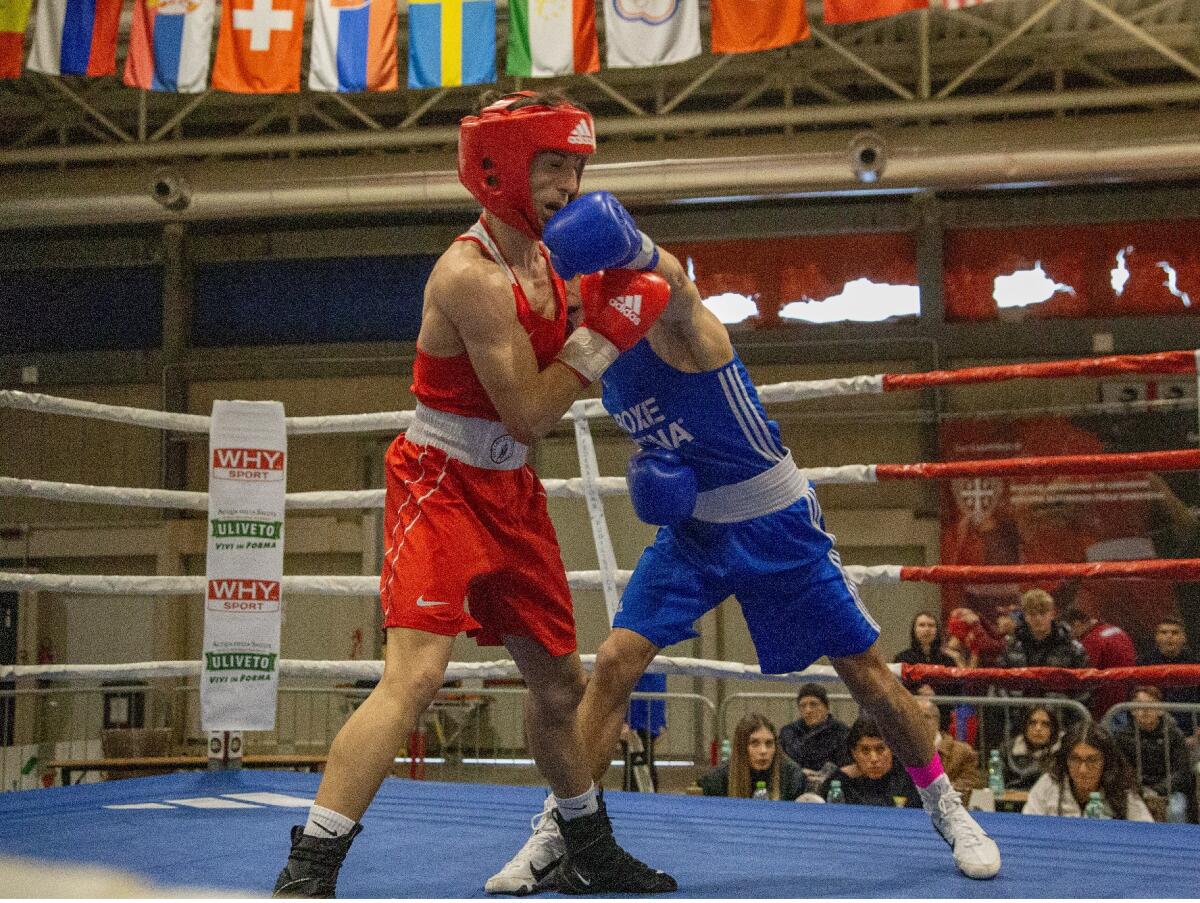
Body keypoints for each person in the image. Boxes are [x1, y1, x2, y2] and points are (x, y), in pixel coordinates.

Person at [488, 185, 1001, 890]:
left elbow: (676, 287)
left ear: (599, 280)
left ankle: (946, 805)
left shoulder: (676, 328)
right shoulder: (597, 359)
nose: (561, 307)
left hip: (773, 521)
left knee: (867, 676)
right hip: (693, 532)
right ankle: (564, 825)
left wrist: (636, 246)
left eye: (569, 290)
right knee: (614, 661)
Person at [273, 90, 676, 898]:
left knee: (560, 685)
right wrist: (602, 337)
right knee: (415, 677)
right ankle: (308, 868)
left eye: (576, 167)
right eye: (552, 165)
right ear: (502, 168)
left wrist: (638, 255)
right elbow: (527, 411)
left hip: (510, 489)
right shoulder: (470, 276)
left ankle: (585, 845)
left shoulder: (553, 258)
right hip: (441, 483)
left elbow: (668, 281)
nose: (569, 184)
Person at [1022, 722, 1153, 821]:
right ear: (1065, 760)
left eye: (1092, 760)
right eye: (1075, 759)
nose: (1083, 769)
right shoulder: (1049, 784)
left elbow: (1146, 834)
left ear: (1106, 761)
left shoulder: (1121, 789)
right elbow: (1028, 827)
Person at [1114, 686, 1194, 823]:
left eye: (1151, 704)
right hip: (1136, 791)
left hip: (1169, 790)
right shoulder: (1122, 737)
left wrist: (1158, 790)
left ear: (1161, 709)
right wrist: (1141, 791)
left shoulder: (1174, 734)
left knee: (1176, 810)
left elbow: (1181, 772)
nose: (1145, 710)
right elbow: (1122, 770)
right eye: (1139, 705)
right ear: (1132, 710)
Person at [819, 716, 922, 808]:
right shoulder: (838, 784)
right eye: (865, 750)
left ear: (892, 749)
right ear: (854, 753)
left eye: (880, 749)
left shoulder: (912, 782)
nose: (874, 759)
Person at [698, 713, 806, 800]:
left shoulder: (792, 777)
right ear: (740, 747)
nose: (763, 751)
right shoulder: (716, 780)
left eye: (769, 743)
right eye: (754, 743)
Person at [1064, 606, 1136, 720]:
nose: (1070, 636)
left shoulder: (1091, 641)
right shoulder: (1116, 630)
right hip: (1125, 699)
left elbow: (1085, 677)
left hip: (1105, 705)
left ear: (1076, 624)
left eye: (1069, 631)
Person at [778, 683, 850, 792]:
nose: (808, 710)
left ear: (826, 707)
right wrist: (800, 773)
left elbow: (846, 767)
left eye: (813, 704)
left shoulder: (841, 733)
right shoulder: (788, 733)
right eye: (803, 706)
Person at [1139, 618, 1200, 736]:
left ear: (1184, 638)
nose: (1169, 637)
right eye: (1163, 632)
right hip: (1152, 731)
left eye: (1174, 632)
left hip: (1191, 730)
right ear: (1156, 637)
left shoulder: (1195, 664)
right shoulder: (1143, 664)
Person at [916, 699, 982, 798]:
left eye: (925, 717)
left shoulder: (963, 752)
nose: (919, 722)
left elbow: (969, 785)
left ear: (937, 721)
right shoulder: (900, 751)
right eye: (914, 717)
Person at [999, 705, 1062, 791]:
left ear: (1053, 729)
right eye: (1032, 723)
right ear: (1025, 726)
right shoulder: (1007, 750)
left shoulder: (1061, 752)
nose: (1038, 728)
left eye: (1045, 724)